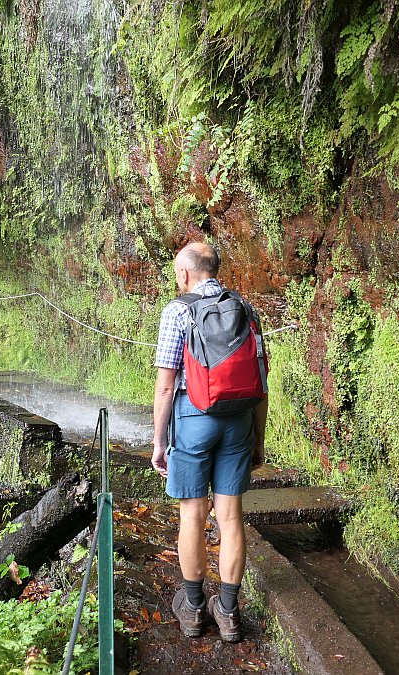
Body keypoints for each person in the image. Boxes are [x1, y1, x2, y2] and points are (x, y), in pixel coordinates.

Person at [150, 241, 267, 642]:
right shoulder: (246, 309)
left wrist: (159, 442)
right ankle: (230, 613)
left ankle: (195, 608)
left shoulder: (177, 311)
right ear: (215, 269)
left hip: (193, 421)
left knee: (193, 515)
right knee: (231, 518)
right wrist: (258, 440)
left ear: (184, 274)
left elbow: (166, 388)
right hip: (238, 424)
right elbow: (261, 384)